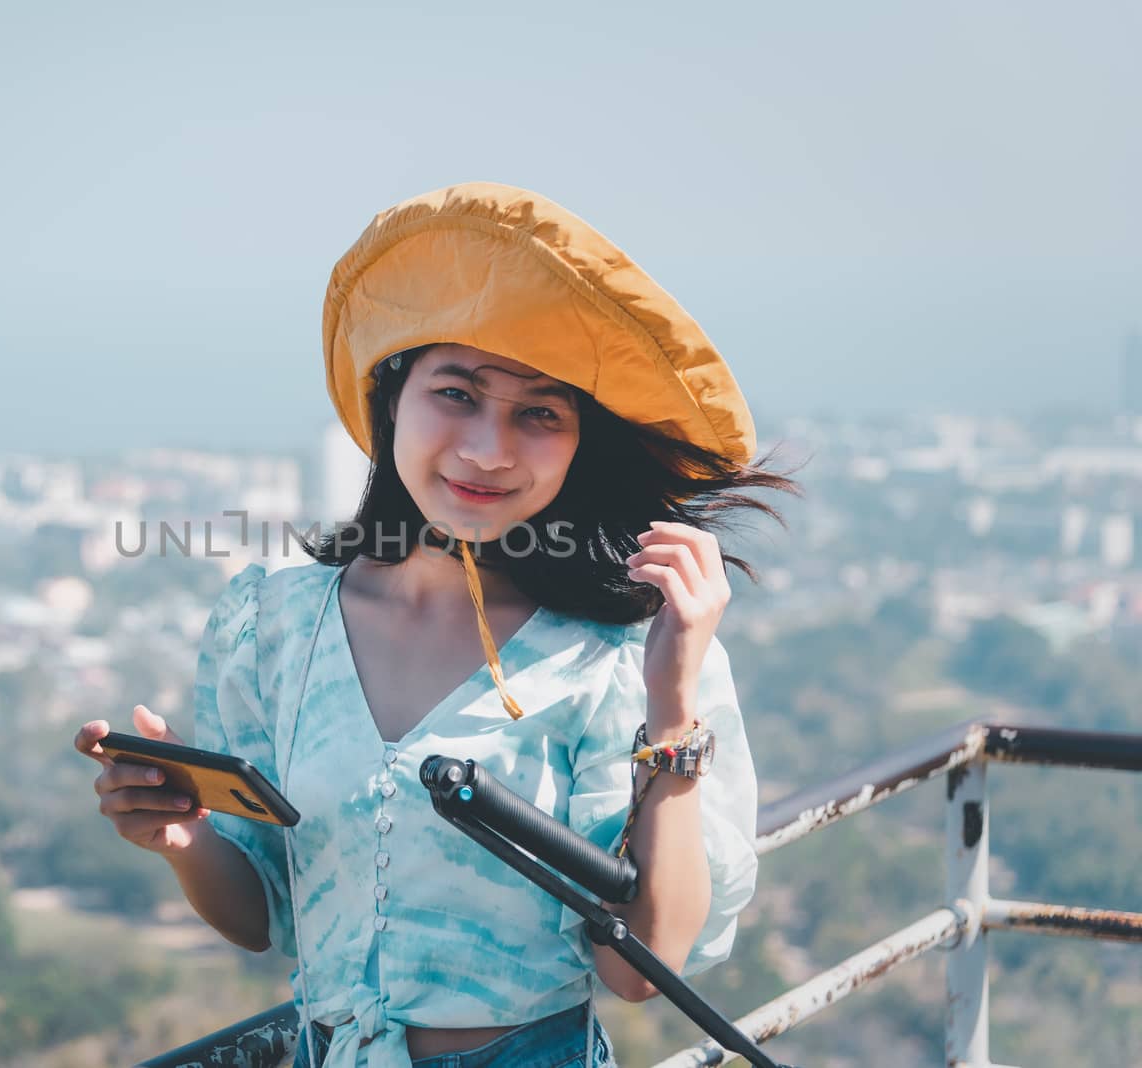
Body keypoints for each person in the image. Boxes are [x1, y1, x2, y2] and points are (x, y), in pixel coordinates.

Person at [76, 183, 802, 1068]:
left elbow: (641, 967)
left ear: (579, 445)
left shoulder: (625, 656)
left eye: (539, 413)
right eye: (457, 392)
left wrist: (674, 696)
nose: (489, 449)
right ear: (392, 402)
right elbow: (263, 916)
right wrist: (184, 840)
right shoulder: (272, 624)